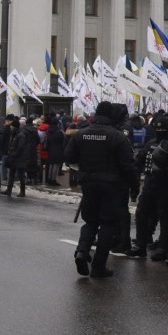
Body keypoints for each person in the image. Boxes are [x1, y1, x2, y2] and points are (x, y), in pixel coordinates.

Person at [63, 101, 135, 277]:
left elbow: (68, 157)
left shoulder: (81, 134)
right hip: (111, 184)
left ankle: (81, 251)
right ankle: (98, 266)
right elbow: (128, 164)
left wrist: (85, 169)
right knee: (108, 224)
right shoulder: (117, 136)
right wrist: (133, 185)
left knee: (90, 221)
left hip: (88, 183)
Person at [133, 114, 168, 262]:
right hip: (149, 183)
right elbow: (140, 159)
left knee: (165, 217)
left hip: (165, 185)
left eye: (162, 129)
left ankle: (163, 247)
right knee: (141, 214)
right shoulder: (151, 142)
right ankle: (141, 244)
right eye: (157, 128)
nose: (159, 131)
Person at [5, 115, 37, 197]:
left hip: (19, 158)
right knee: (11, 174)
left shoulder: (20, 135)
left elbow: (21, 147)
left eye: (12, 126)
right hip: (13, 157)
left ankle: (22, 191)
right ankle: (9, 190)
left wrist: (14, 154)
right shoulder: (14, 134)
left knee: (20, 175)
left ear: (15, 127)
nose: (11, 127)